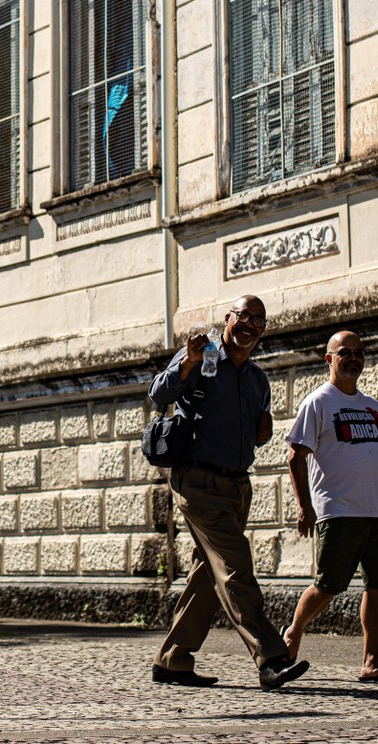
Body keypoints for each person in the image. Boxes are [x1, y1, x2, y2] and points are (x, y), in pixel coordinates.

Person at [149, 295, 310, 690]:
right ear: (228, 318)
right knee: (236, 568)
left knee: (210, 573)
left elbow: (259, 429)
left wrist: (264, 430)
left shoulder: (257, 379)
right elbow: (158, 394)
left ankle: (173, 660)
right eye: (243, 316)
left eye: (258, 320)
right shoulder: (200, 356)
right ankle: (271, 657)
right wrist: (185, 363)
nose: (250, 325)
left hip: (238, 486)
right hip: (199, 483)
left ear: (264, 329)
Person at [281, 330, 378, 682]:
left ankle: (372, 661)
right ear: (330, 359)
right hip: (338, 511)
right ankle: (293, 633)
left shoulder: (372, 406)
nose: (354, 358)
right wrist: (305, 507)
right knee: (329, 584)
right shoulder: (318, 402)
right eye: (345, 353)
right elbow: (295, 457)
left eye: (359, 353)